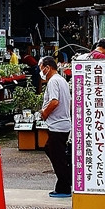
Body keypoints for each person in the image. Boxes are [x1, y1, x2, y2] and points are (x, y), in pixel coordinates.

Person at [38, 54, 72, 198]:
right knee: (53, 151)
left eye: (41, 69)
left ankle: (64, 185)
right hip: (62, 123)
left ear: (47, 67)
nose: (41, 72)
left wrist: (44, 113)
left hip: (57, 125)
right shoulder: (62, 80)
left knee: (57, 157)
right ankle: (64, 182)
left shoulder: (53, 81)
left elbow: (54, 101)